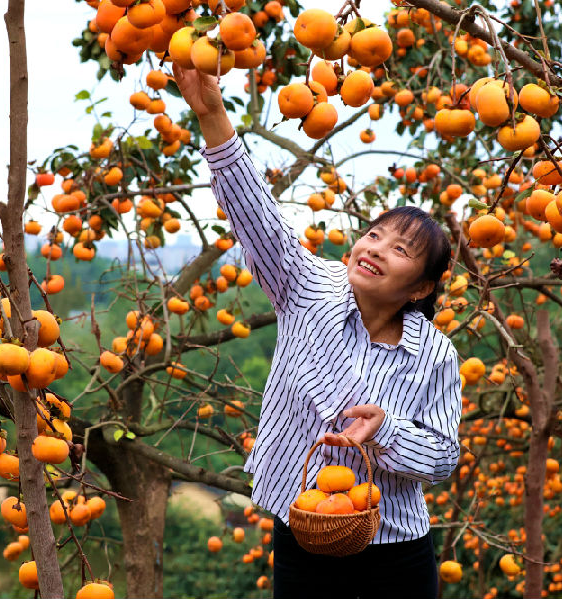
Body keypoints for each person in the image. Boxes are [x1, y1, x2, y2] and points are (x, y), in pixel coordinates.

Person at [173, 64, 463, 599]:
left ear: (420, 289)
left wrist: (385, 430)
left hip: (394, 543)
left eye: (399, 250)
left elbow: (444, 456)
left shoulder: (435, 355)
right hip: (303, 525)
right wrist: (212, 115)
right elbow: (256, 216)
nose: (374, 248)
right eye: (373, 235)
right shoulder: (307, 287)